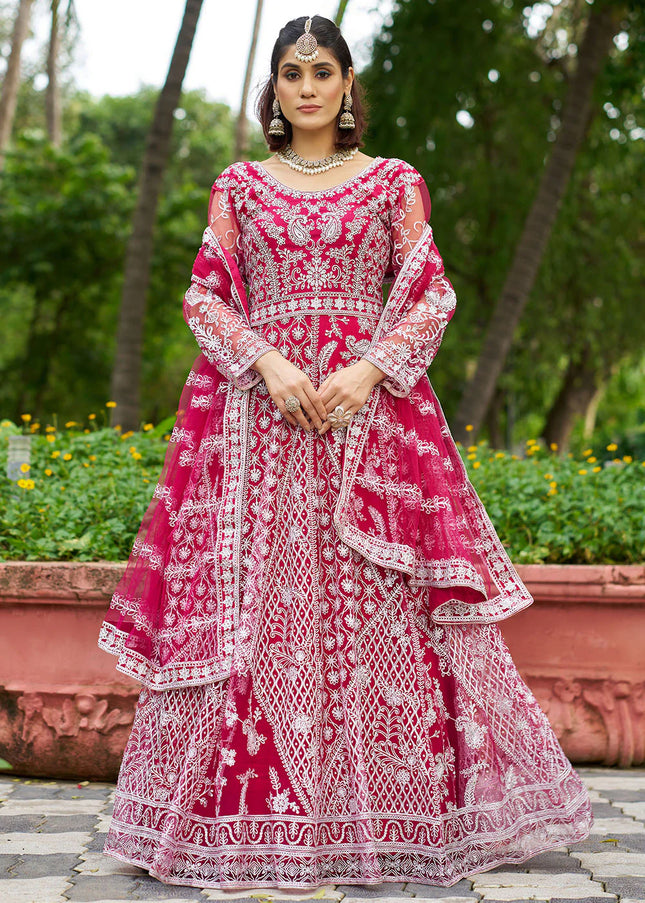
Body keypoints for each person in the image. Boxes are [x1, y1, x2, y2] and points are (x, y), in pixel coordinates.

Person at [98, 13, 593, 891]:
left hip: (371, 431)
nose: (308, 87)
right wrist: (270, 364)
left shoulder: (393, 183)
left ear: (348, 84)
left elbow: (429, 296)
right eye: (292, 73)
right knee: (256, 622)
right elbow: (205, 300)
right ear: (276, 89)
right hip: (260, 428)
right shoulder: (240, 187)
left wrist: (367, 370)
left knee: (378, 617)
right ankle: (239, 825)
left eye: (323, 71)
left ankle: (391, 822)